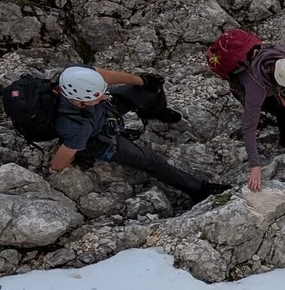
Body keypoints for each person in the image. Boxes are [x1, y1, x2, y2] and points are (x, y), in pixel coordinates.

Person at [45, 66, 213, 204]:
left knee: (151, 89)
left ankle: (155, 111)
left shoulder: (75, 75)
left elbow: (107, 75)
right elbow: (57, 165)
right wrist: (73, 155)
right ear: (81, 102)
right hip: (99, 141)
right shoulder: (76, 128)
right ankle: (199, 189)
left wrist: (143, 81)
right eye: (97, 96)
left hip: (100, 114)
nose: (104, 96)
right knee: (150, 160)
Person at [206, 30, 285, 193]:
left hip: (275, 81)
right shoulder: (256, 88)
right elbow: (248, 128)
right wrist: (255, 166)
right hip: (244, 88)